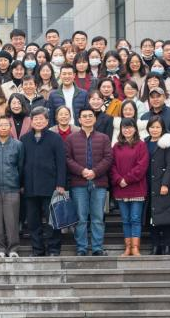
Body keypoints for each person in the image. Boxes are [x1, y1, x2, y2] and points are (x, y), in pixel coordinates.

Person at [65, 108, 113, 256]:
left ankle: (97, 248)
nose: (87, 118)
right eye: (84, 116)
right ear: (79, 120)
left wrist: (95, 172)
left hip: (99, 183)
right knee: (81, 218)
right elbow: (67, 159)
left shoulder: (104, 138)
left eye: (90, 116)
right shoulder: (71, 138)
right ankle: (82, 248)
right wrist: (82, 171)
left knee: (98, 217)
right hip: (78, 183)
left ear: (95, 119)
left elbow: (108, 158)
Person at [109, 118, 149, 256]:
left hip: (137, 188)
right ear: (120, 129)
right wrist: (119, 179)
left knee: (135, 218)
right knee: (125, 220)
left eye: (130, 127)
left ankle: (135, 248)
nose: (127, 130)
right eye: (124, 127)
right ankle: (128, 247)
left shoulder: (141, 145)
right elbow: (112, 166)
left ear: (135, 129)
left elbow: (142, 166)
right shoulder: (116, 146)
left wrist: (127, 179)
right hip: (120, 188)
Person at [0, 117, 23, 258]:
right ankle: (0, 249)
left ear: (10, 128)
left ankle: (13, 248)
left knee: (12, 221)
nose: (3, 127)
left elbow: (21, 166)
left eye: (6, 125)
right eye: (0, 125)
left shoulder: (18, 145)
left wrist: (20, 184)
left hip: (12, 188)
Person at [145, 117, 170, 255]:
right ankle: (155, 245)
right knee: (152, 216)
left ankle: (167, 245)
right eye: (152, 127)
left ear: (162, 128)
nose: (154, 130)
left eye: (157, 127)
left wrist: (165, 184)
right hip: (148, 184)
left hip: (163, 184)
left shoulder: (167, 142)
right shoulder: (145, 142)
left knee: (166, 215)